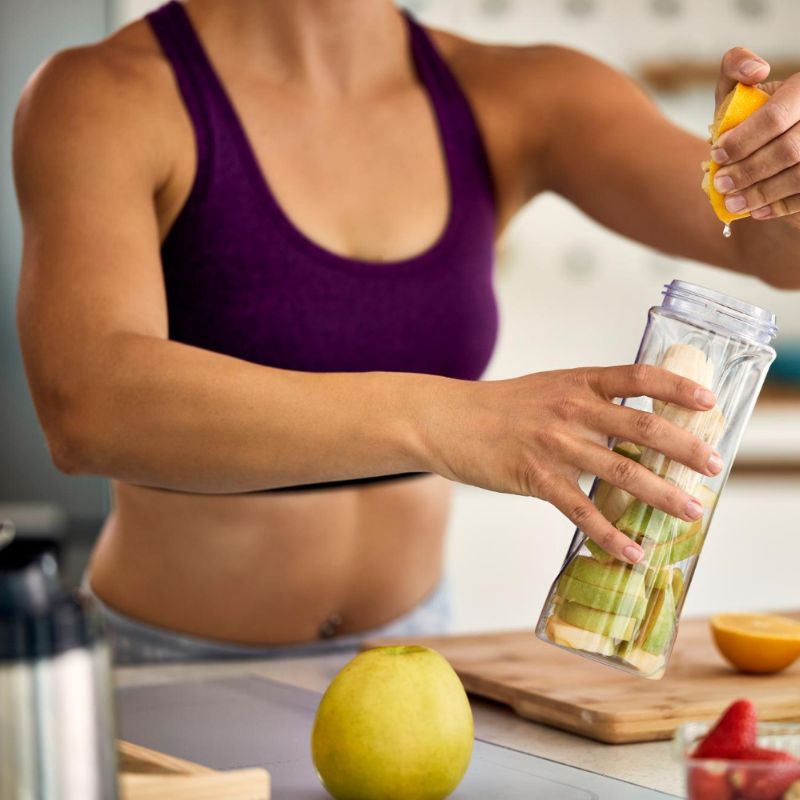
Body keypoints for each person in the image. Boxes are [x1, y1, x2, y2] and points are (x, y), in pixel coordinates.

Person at [13, 0, 800, 663]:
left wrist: (782, 169)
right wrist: (448, 418)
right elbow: (87, 406)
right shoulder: (102, 95)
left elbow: (772, 245)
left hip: (415, 659)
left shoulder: (519, 91)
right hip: (165, 668)